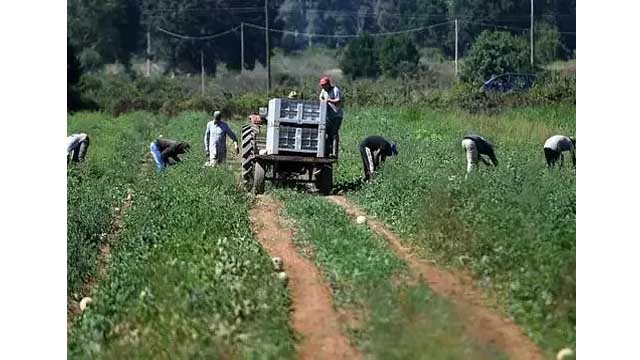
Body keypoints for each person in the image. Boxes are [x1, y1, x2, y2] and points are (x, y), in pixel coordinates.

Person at [319, 76, 343, 157]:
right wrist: (322, 100)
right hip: (328, 116)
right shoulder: (323, 91)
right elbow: (320, 98)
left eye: (324, 85)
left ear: (328, 84)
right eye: (322, 85)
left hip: (336, 115)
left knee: (334, 134)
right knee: (327, 134)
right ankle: (328, 152)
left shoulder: (335, 89)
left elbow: (338, 100)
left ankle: (334, 153)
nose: (323, 87)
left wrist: (329, 100)